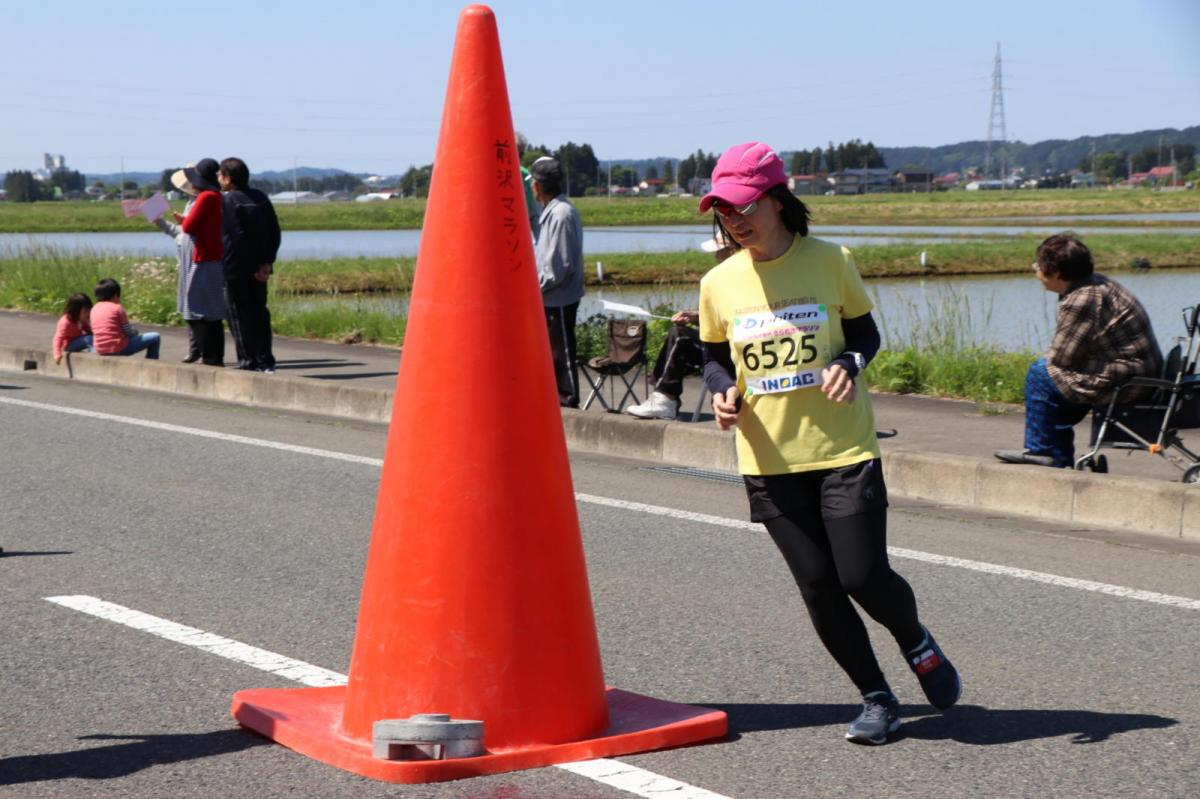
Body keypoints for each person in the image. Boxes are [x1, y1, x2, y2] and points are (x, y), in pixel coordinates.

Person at [698, 142, 960, 746]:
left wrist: (849, 359)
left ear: (778, 201)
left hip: (842, 450)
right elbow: (713, 355)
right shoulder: (718, 283)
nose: (734, 220)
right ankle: (876, 697)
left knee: (862, 576)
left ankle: (916, 642)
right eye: (723, 210)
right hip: (768, 458)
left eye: (743, 206)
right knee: (817, 585)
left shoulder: (830, 259)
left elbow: (866, 331)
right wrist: (720, 390)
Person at [994, 233, 1162, 468]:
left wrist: (1049, 359)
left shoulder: (1081, 299)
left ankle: (1042, 450)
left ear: (1057, 273)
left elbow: (1062, 358)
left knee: (1040, 374)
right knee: (1054, 382)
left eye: (1038, 267)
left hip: (1127, 382)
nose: (1036, 273)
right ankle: (1056, 459)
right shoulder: (1095, 283)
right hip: (1138, 373)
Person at [626, 234, 737, 420]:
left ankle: (665, 399)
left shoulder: (738, 278)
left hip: (730, 353)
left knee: (680, 336)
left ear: (733, 250)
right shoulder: (720, 277)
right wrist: (694, 316)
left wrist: (696, 316)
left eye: (720, 251)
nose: (716, 256)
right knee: (679, 334)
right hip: (717, 347)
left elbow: (730, 317)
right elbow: (715, 316)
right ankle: (662, 396)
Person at [156, 163, 226, 366]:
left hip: (203, 258)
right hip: (205, 257)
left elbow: (188, 226)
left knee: (201, 309)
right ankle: (209, 355)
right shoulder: (216, 197)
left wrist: (181, 219)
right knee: (206, 309)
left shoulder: (206, 197)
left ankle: (210, 356)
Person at [218, 157, 281, 373]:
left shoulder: (230, 200)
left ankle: (249, 362)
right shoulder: (260, 197)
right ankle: (266, 361)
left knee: (238, 315)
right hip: (260, 269)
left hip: (236, 267)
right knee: (259, 313)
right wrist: (266, 263)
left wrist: (255, 265)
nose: (218, 178)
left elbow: (237, 235)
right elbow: (275, 231)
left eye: (220, 174)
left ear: (228, 178)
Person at [530, 156, 584, 407]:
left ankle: (568, 399)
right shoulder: (552, 210)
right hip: (550, 295)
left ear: (539, 186)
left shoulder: (561, 213)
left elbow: (560, 266)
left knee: (562, 353)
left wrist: (534, 287)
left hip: (559, 296)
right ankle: (557, 398)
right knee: (552, 353)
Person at [90, 278, 161, 359]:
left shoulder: (94, 308)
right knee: (155, 337)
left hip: (100, 349)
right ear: (115, 295)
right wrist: (135, 332)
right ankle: (150, 363)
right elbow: (129, 332)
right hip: (118, 348)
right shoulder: (117, 308)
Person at [52, 293, 94, 364]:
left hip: (76, 340)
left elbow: (88, 329)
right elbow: (58, 338)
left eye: (90, 310)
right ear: (76, 311)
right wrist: (57, 354)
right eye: (86, 311)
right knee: (89, 339)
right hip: (68, 345)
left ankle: (95, 348)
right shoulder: (65, 323)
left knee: (92, 338)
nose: (88, 314)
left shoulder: (80, 320)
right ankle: (95, 352)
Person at [516, 131, 541, 239]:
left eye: (521, 154)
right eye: (516, 153)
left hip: (522, 234)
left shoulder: (526, 176)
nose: (519, 157)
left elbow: (535, 213)